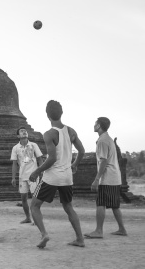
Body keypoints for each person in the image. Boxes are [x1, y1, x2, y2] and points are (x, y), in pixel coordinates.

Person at [29, 100, 86, 249]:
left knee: (34, 206)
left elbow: (52, 158)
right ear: (61, 113)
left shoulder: (49, 134)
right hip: (67, 177)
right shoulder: (71, 131)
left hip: (52, 177)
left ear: (47, 116)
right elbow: (82, 151)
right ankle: (80, 239)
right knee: (68, 207)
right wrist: (75, 164)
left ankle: (44, 234)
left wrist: (36, 171)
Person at [84, 117, 127, 238]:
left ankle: (98, 231)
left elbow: (103, 161)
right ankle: (122, 229)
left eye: (95, 123)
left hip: (107, 178)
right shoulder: (108, 139)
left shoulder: (102, 141)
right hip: (115, 178)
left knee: (101, 203)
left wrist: (97, 179)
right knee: (114, 205)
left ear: (99, 126)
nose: (94, 125)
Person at [11, 127, 44, 224]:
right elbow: (14, 163)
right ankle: (28, 217)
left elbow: (40, 159)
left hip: (33, 174)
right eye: (21, 131)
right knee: (23, 198)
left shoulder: (33, 145)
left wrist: (41, 172)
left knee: (35, 198)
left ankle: (36, 218)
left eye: (25, 131)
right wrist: (13, 177)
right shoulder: (16, 148)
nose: (24, 132)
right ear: (18, 136)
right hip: (22, 176)